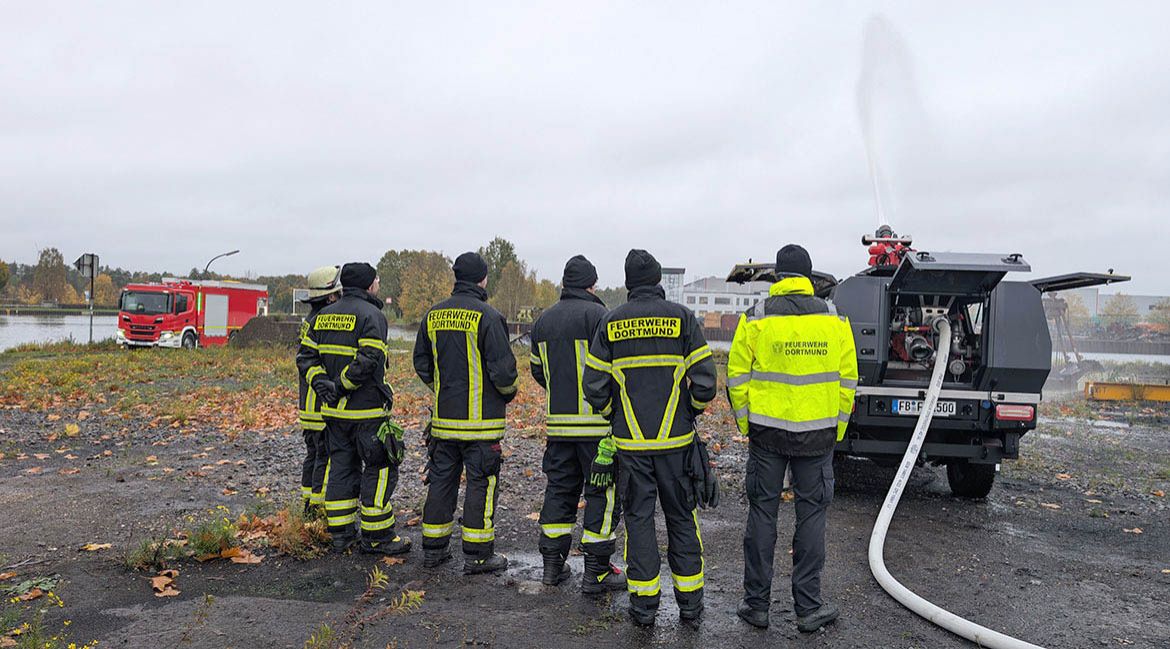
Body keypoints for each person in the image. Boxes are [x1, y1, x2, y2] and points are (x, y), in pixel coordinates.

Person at [583, 249, 718, 625]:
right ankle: (690, 604)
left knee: (639, 520)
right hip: (676, 446)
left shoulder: (610, 323)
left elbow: (593, 386)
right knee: (681, 519)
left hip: (632, 447)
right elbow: (706, 382)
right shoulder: (681, 318)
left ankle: (643, 606)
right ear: (658, 280)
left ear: (628, 283)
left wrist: (615, 417)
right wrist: (689, 412)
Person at [727, 244, 858, 632]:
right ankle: (808, 607)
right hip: (818, 437)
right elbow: (848, 379)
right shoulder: (835, 320)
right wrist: (838, 426)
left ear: (778, 277)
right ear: (808, 277)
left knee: (763, 514)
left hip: (768, 435)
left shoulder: (756, 318)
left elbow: (736, 377)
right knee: (812, 516)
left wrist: (746, 423)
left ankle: (756, 606)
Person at [413, 251, 518, 575]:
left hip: (445, 423)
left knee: (441, 483)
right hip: (481, 426)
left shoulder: (433, 315)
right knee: (481, 485)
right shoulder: (488, 316)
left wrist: (443, 390)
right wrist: (509, 393)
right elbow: (503, 373)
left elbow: (422, 363)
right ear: (483, 279)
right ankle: (478, 555)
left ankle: (433, 549)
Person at [297, 262, 409, 556]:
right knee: (381, 467)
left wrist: (322, 385)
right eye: (377, 281)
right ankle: (377, 536)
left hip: (333, 414)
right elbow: (370, 359)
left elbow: (305, 358)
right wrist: (342, 385)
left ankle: (341, 535)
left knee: (341, 470)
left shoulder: (321, 317)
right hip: (367, 412)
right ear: (369, 285)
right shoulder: (372, 315)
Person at [529, 255, 625, 592]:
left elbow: (538, 370)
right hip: (598, 428)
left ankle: (552, 568)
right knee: (602, 494)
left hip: (558, 426)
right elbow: (612, 370)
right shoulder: (601, 316)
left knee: (558, 491)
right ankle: (596, 572)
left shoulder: (542, 322)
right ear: (592, 285)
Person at [296, 265, 342, 514]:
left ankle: (308, 504)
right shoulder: (323, 323)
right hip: (321, 404)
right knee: (325, 457)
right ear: (331, 296)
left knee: (313, 455)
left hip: (308, 404)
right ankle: (317, 510)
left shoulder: (309, 321)